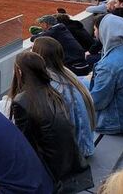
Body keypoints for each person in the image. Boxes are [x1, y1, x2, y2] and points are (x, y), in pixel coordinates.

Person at [9, 52, 92, 192]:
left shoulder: (21, 101)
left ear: (19, 71)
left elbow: (25, 145)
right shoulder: (53, 92)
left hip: (51, 174)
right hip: (69, 166)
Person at [32, 37, 96, 157]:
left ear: (39, 56)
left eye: (32, 50)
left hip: (76, 153)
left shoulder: (52, 85)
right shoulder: (68, 75)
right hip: (86, 144)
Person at [89, 13, 123, 134]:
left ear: (105, 31)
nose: (94, 33)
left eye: (95, 29)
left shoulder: (109, 65)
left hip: (116, 124)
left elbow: (98, 102)